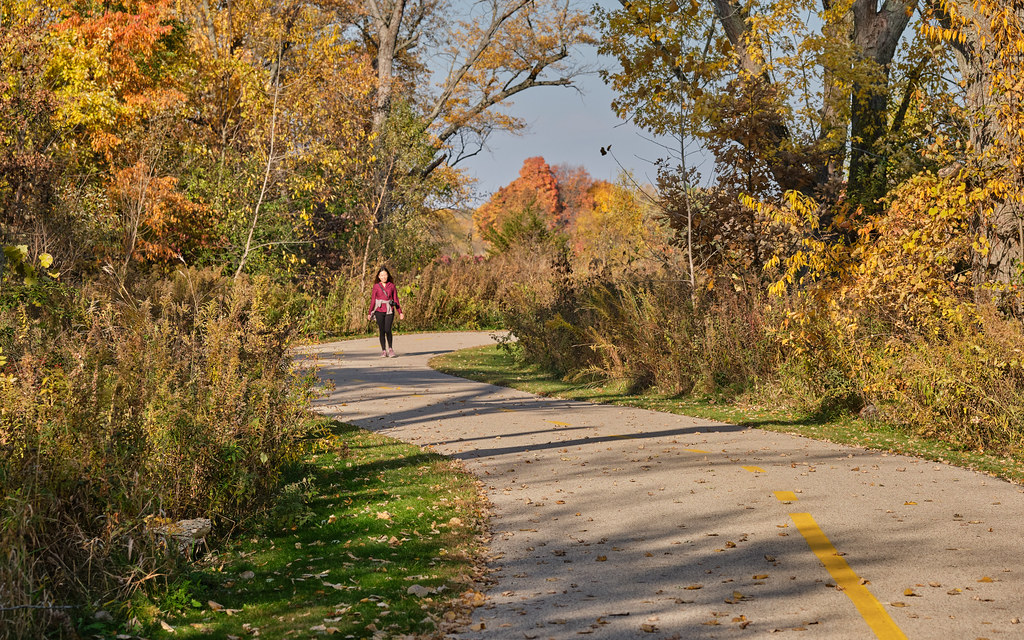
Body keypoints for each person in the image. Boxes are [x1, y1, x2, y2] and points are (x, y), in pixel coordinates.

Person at [367, 266, 404, 357]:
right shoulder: (376, 286)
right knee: (382, 330)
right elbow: (373, 300)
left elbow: (396, 300)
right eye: (382, 275)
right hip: (379, 310)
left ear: (388, 275)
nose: (384, 277)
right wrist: (369, 312)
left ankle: (390, 349)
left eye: (385, 275)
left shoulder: (392, 286)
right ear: (379, 276)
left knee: (388, 329)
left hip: (389, 310)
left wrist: (400, 312)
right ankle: (383, 350)